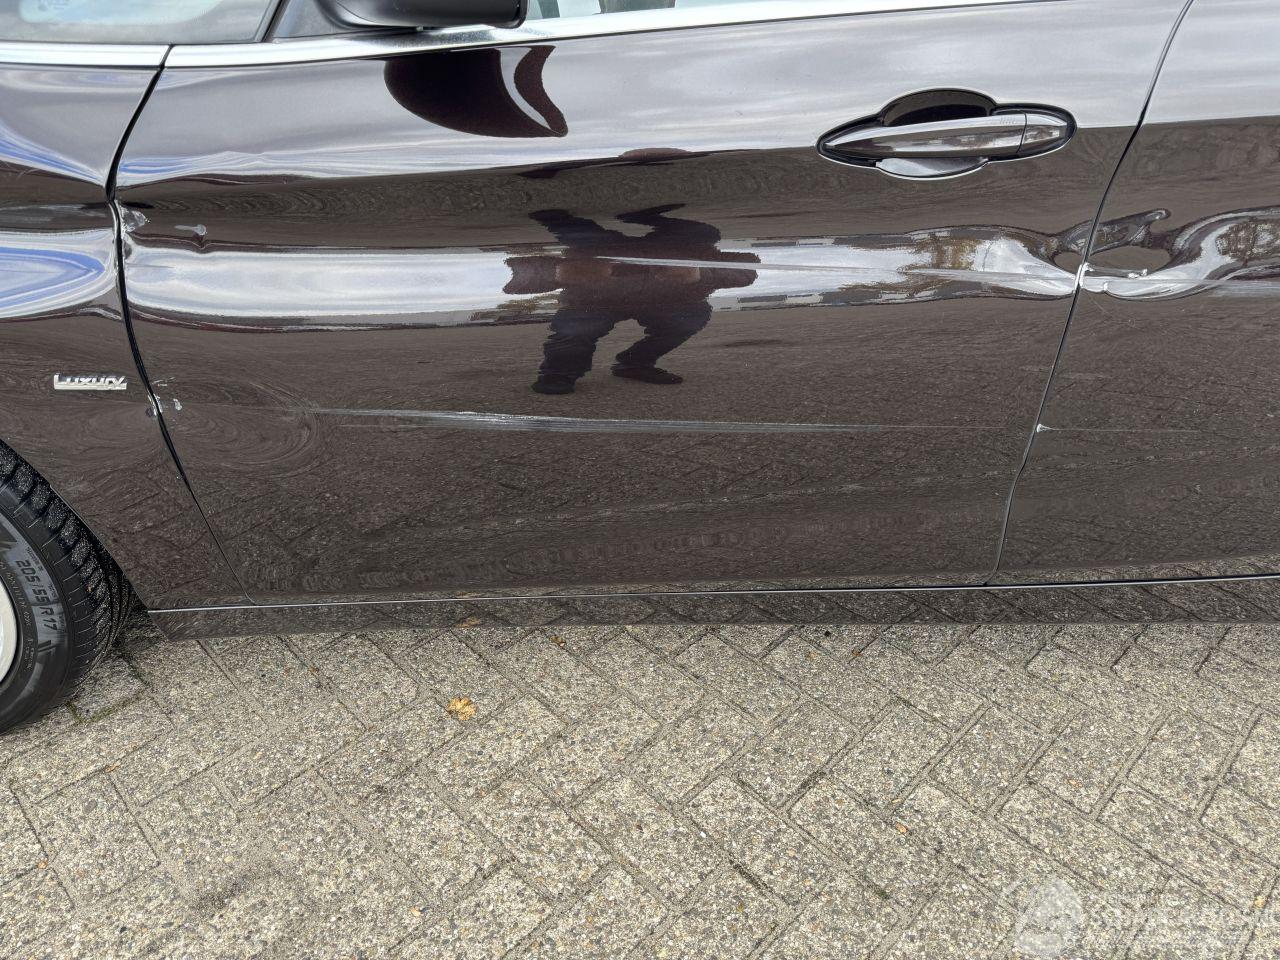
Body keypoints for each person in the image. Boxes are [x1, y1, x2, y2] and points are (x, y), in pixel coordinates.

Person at [505, 205, 759, 394]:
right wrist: (558, 273)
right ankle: (559, 373)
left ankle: (634, 364)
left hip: (670, 298)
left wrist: (701, 274)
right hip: (596, 298)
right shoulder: (592, 241)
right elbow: (513, 275)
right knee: (576, 329)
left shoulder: (697, 242)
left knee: (691, 316)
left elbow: (747, 270)